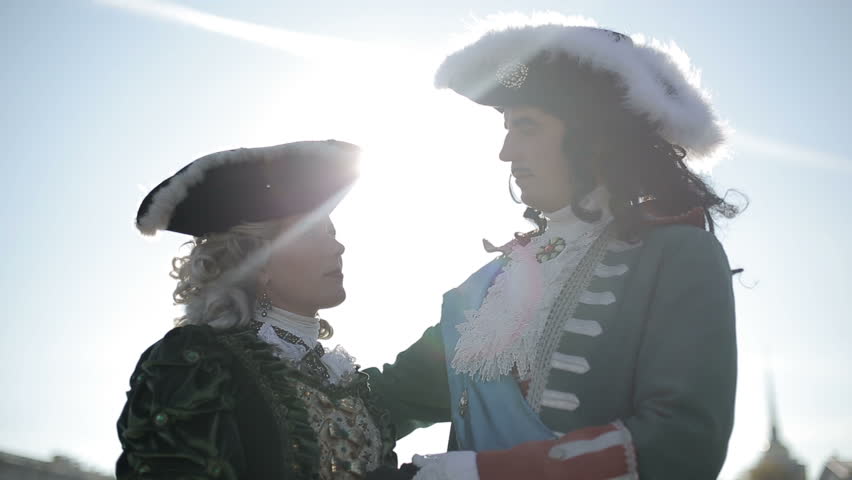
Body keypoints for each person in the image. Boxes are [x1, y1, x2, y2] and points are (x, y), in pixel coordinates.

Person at [365, 17, 741, 480]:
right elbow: (383, 402)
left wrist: (481, 474)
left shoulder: (677, 256)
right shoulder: (482, 290)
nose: (506, 152)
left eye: (526, 127)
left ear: (594, 136)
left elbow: (682, 443)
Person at [116, 140, 409, 479]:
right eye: (312, 234)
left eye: (333, 232)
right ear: (257, 263)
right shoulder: (197, 362)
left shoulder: (344, 377)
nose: (338, 246)